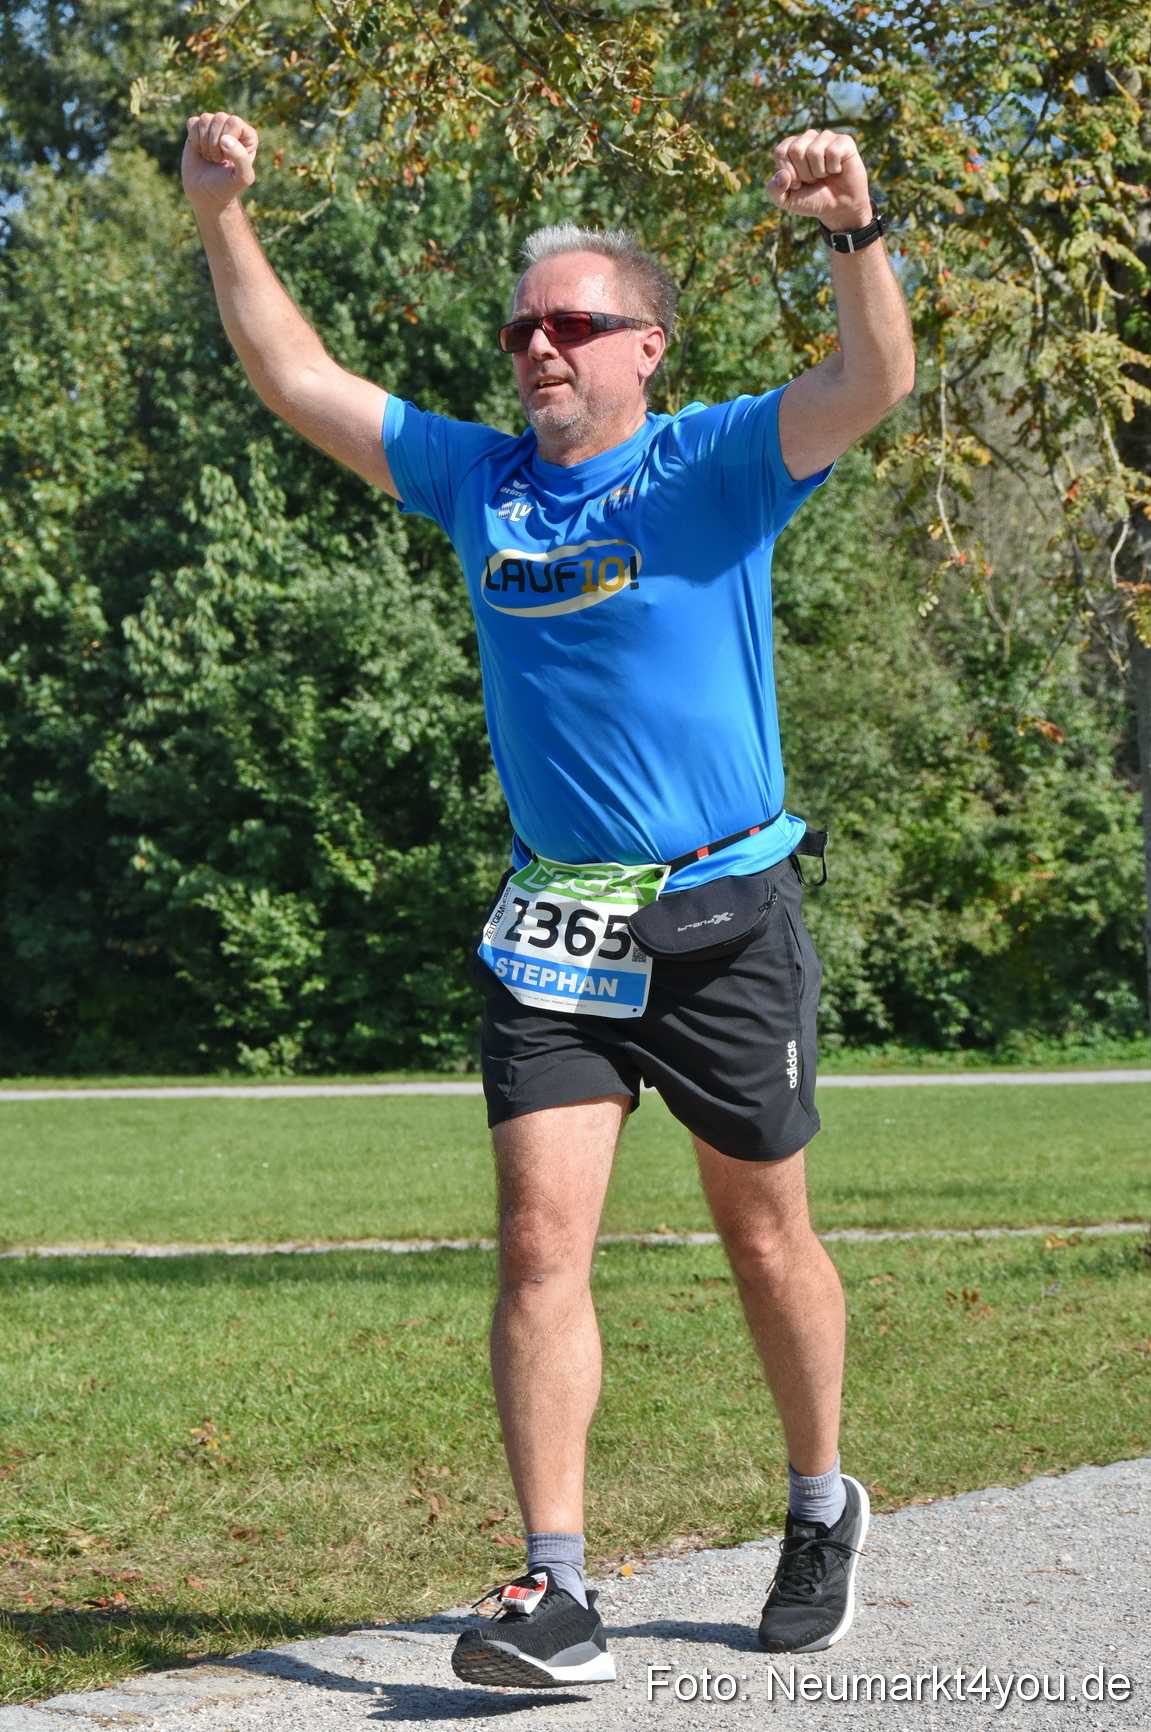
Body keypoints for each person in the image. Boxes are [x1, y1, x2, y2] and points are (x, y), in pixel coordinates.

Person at [182, 110, 914, 1687]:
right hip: (555, 930)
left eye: (572, 324)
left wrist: (853, 234)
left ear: (647, 346)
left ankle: (819, 1503)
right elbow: (298, 378)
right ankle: (556, 1590)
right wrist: (220, 213)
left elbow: (872, 382)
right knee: (536, 1245)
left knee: (764, 1236)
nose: (538, 348)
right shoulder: (481, 482)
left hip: (723, 919)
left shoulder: (716, 462)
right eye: (522, 329)